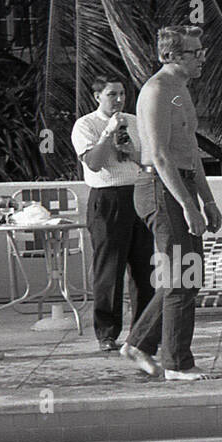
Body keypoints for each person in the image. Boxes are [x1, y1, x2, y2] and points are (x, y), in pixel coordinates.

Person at [120, 24, 221, 381]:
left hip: (181, 185)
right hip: (159, 188)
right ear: (171, 56)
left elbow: (190, 151)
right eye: (196, 53)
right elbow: (160, 156)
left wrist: (206, 201)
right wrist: (187, 206)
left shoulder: (180, 90)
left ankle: (138, 345)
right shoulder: (158, 90)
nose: (203, 58)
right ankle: (177, 364)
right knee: (180, 278)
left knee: (186, 277)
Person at [71, 76, 156, 352]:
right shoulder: (86, 125)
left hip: (138, 193)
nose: (118, 99)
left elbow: (150, 162)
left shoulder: (135, 121)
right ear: (97, 96)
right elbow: (94, 164)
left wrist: (132, 152)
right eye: (111, 94)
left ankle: (143, 332)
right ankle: (107, 332)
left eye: (121, 94)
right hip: (108, 199)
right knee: (109, 268)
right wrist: (107, 134)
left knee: (144, 269)